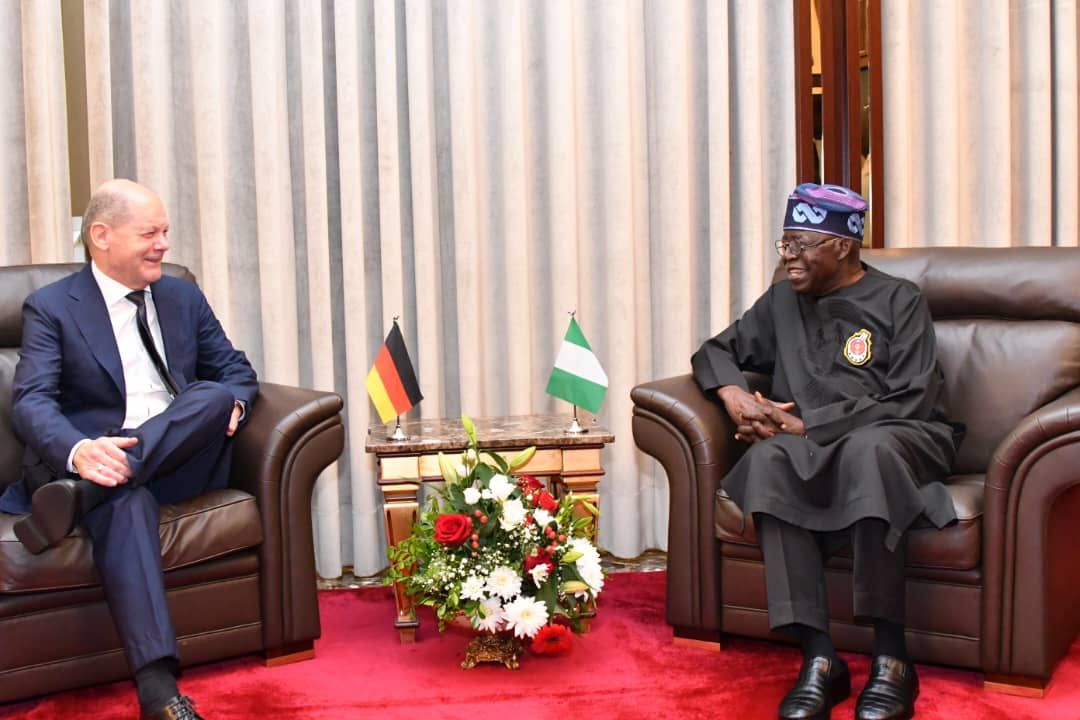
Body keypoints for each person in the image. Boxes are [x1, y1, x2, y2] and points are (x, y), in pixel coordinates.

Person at [692, 183, 963, 720]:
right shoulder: (782, 302)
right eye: (784, 244)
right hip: (808, 444)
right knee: (767, 458)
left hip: (902, 434)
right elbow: (715, 351)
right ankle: (819, 658)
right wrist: (735, 396)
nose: (788, 257)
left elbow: (911, 398)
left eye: (801, 244)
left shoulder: (899, 300)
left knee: (868, 451)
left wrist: (805, 423)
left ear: (843, 245)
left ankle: (892, 658)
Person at [0, 179, 258, 720]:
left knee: (211, 396)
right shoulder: (52, 308)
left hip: (182, 459)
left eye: (164, 231)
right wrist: (80, 451)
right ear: (102, 236)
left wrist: (231, 406)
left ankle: (83, 493)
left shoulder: (181, 295)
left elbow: (234, 372)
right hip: (103, 463)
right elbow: (31, 402)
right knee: (123, 496)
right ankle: (159, 692)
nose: (163, 244)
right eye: (150, 233)